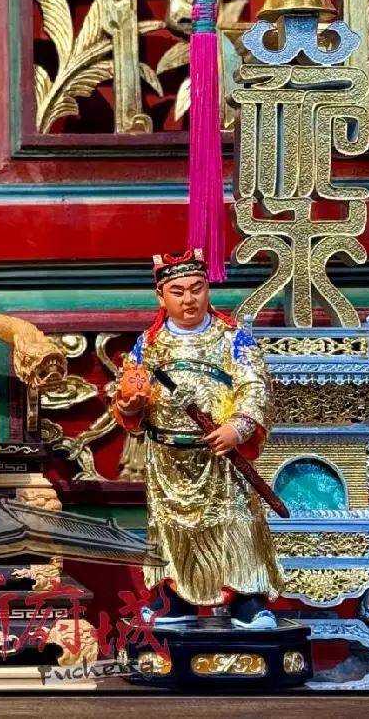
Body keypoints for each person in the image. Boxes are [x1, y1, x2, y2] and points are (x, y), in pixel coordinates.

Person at [113, 250, 283, 631]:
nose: (188, 299)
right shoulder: (148, 345)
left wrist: (237, 427)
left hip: (220, 456)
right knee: (172, 530)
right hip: (168, 459)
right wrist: (130, 405)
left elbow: (255, 385)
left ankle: (245, 599)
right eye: (177, 291)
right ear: (161, 297)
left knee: (236, 524)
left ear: (208, 289)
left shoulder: (231, 338)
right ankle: (175, 600)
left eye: (197, 288)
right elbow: (128, 393)